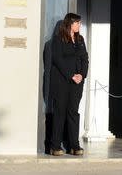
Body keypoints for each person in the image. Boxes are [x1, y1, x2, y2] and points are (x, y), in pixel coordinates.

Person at [49, 13, 88, 156]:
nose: (79, 25)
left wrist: (82, 75)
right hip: (62, 82)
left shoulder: (80, 40)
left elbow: (85, 59)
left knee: (73, 113)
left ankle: (74, 146)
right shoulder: (58, 40)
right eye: (77, 22)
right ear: (69, 24)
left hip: (77, 83)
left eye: (79, 22)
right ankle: (55, 146)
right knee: (60, 113)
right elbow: (58, 60)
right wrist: (71, 75)